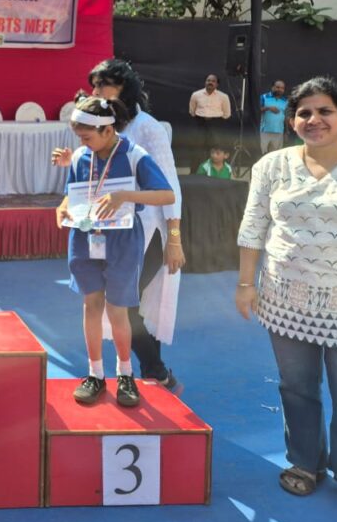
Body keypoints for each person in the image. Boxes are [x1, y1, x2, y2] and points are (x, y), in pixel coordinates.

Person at [236, 76, 337, 520]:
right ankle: (305, 462)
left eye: (325, 111)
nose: (314, 120)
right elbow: (253, 226)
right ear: (292, 121)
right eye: (304, 113)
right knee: (296, 388)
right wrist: (246, 284)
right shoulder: (271, 166)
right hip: (286, 299)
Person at [52, 96, 175, 407]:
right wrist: (62, 208)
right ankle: (95, 374)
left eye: (87, 137)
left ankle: (125, 374)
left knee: (117, 310)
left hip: (123, 241)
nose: (82, 143)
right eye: (80, 138)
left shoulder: (135, 155)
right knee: (91, 306)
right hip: (85, 238)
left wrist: (124, 196)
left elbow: (166, 194)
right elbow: (72, 194)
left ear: (107, 130)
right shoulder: (81, 156)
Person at [87, 59, 185, 392]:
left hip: (148, 231)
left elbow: (170, 186)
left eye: (104, 85)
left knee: (122, 302)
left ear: (124, 88)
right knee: (126, 303)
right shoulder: (104, 126)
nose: (96, 91)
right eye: (94, 85)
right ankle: (155, 376)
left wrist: (174, 239)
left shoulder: (148, 127)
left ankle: (157, 374)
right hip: (112, 231)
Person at [188, 74, 231, 172]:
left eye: (213, 81)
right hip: (200, 124)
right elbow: (192, 111)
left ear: (217, 84)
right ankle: (194, 173)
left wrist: (215, 120)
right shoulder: (196, 95)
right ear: (205, 82)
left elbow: (227, 114)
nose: (210, 82)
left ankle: (214, 173)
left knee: (215, 150)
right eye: (208, 80)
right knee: (197, 149)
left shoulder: (223, 96)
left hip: (216, 125)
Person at [260, 79, 287, 154]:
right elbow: (256, 110)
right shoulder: (263, 97)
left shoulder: (285, 101)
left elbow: (286, 116)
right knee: (262, 154)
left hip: (279, 132)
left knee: (275, 155)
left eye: (282, 88)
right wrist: (268, 108)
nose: (280, 89)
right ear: (272, 87)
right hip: (264, 131)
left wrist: (286, 132)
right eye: (277, 87)